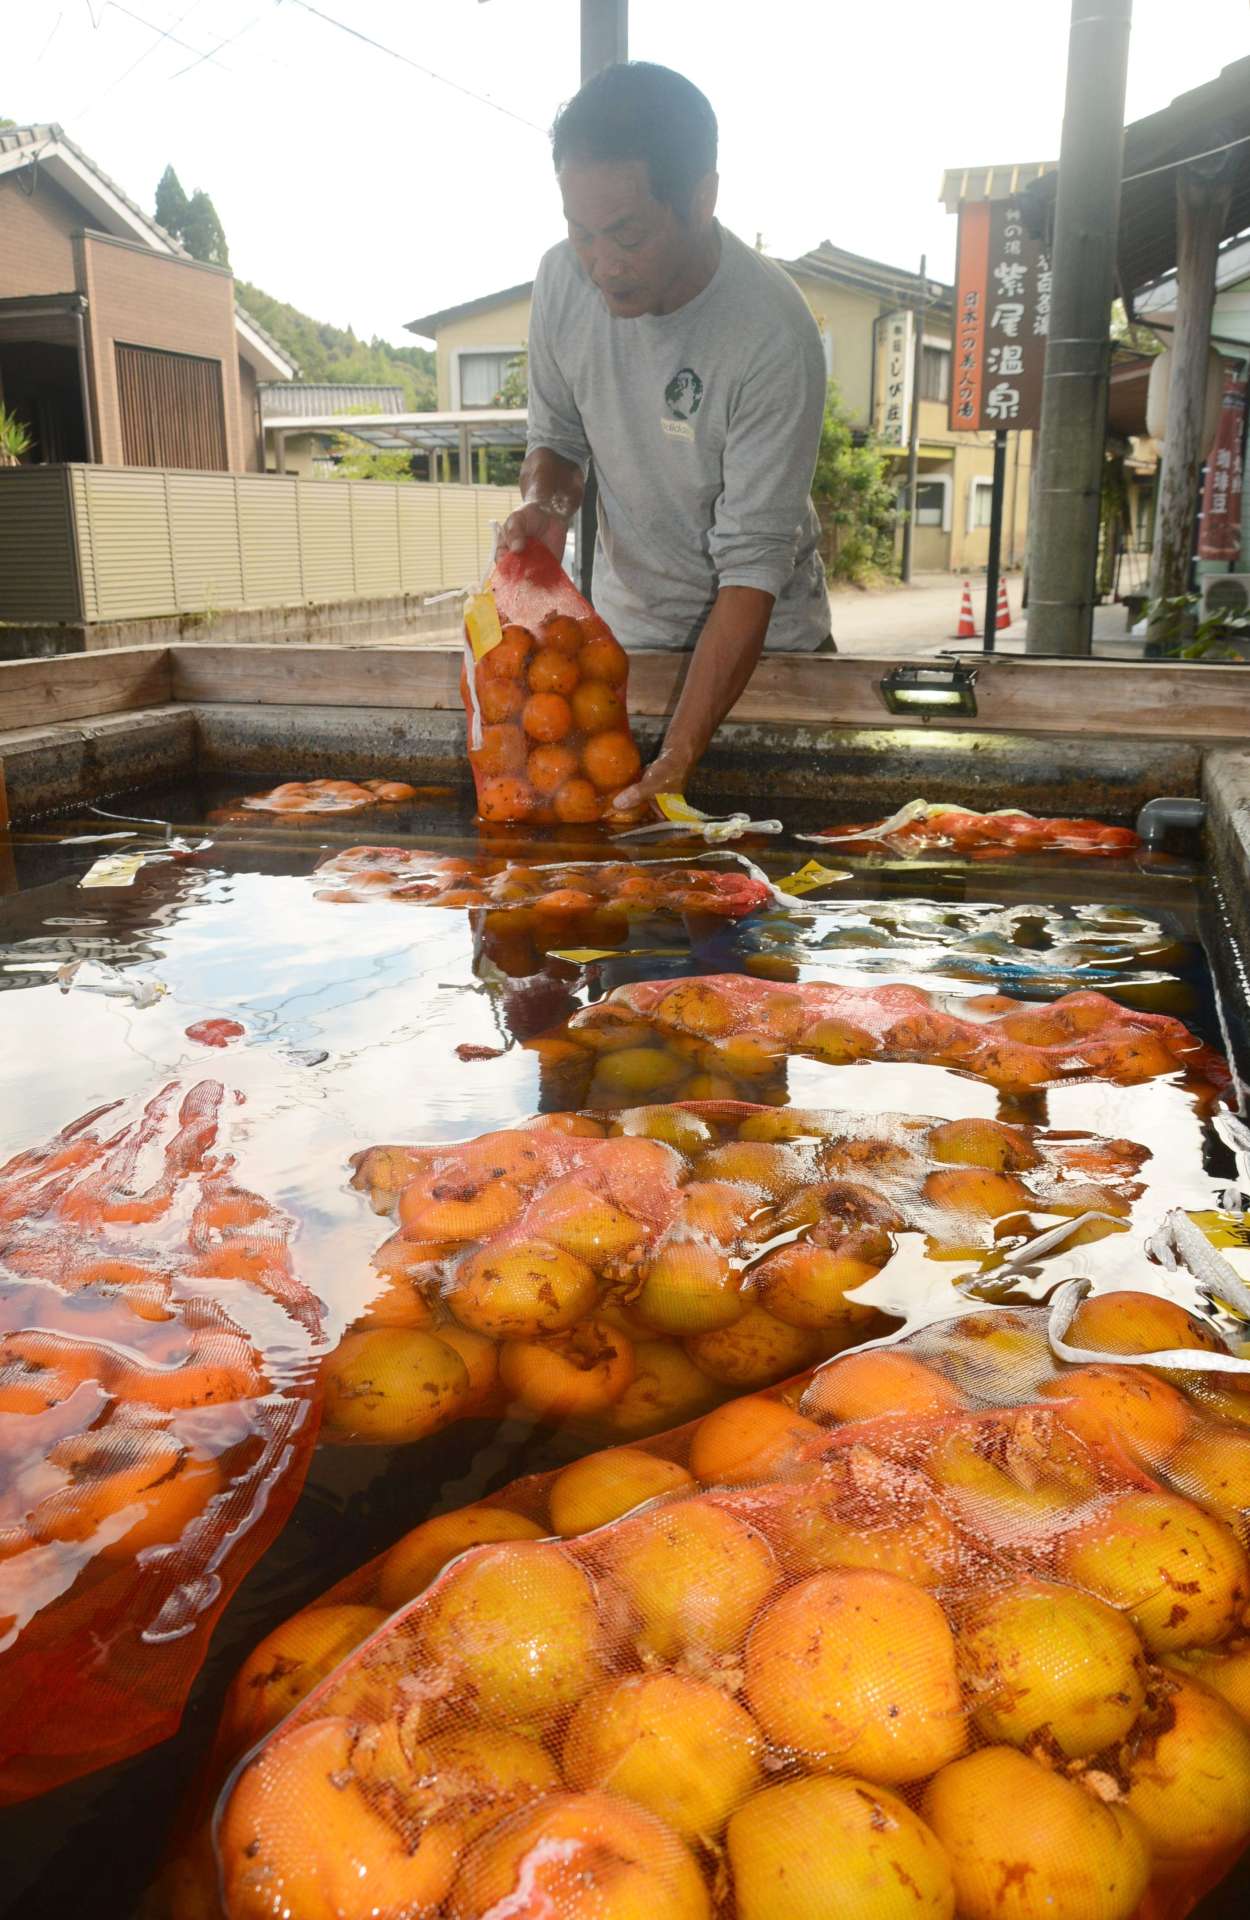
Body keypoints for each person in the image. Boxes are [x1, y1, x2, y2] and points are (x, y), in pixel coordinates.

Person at [500, 61, 831, 815]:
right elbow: (559, 438)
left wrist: (678, 757)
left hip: (767, 649)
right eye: (581, 233)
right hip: (628, 639)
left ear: (702, 198)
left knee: (760, 897)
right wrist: (547, 504)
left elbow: (751, 567)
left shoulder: (771, 334)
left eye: (627, 234)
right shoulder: (562, 282)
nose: (601, 264)